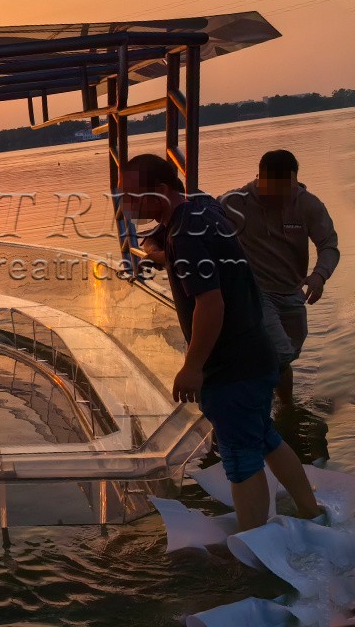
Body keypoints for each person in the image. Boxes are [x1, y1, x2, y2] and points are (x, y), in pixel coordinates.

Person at [121, 154, 320, 530]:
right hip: (257, 352)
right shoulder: (202, 206)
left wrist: (192, 367)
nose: (124, 203)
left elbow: (210, 306)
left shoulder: (185, 237)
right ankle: (312, 511)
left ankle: (255, 549)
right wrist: (161, 252)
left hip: (232, 366)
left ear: (161, 192)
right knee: (266, 437)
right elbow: (182, 243)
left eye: (131, 195)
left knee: (241, 459)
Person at [220, 150, 339, 405]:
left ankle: (286, 408)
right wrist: (156, 240)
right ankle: (252, 407)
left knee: (288, 355)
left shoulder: (308, 204)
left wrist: (320, 275)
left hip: (292, 292)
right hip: (256, 292)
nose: (283, 197)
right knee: (280, 353)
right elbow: (196, 217)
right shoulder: (235, 202)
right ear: (260, 179)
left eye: (289, 189)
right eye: (275, 190)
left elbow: (329, 244)